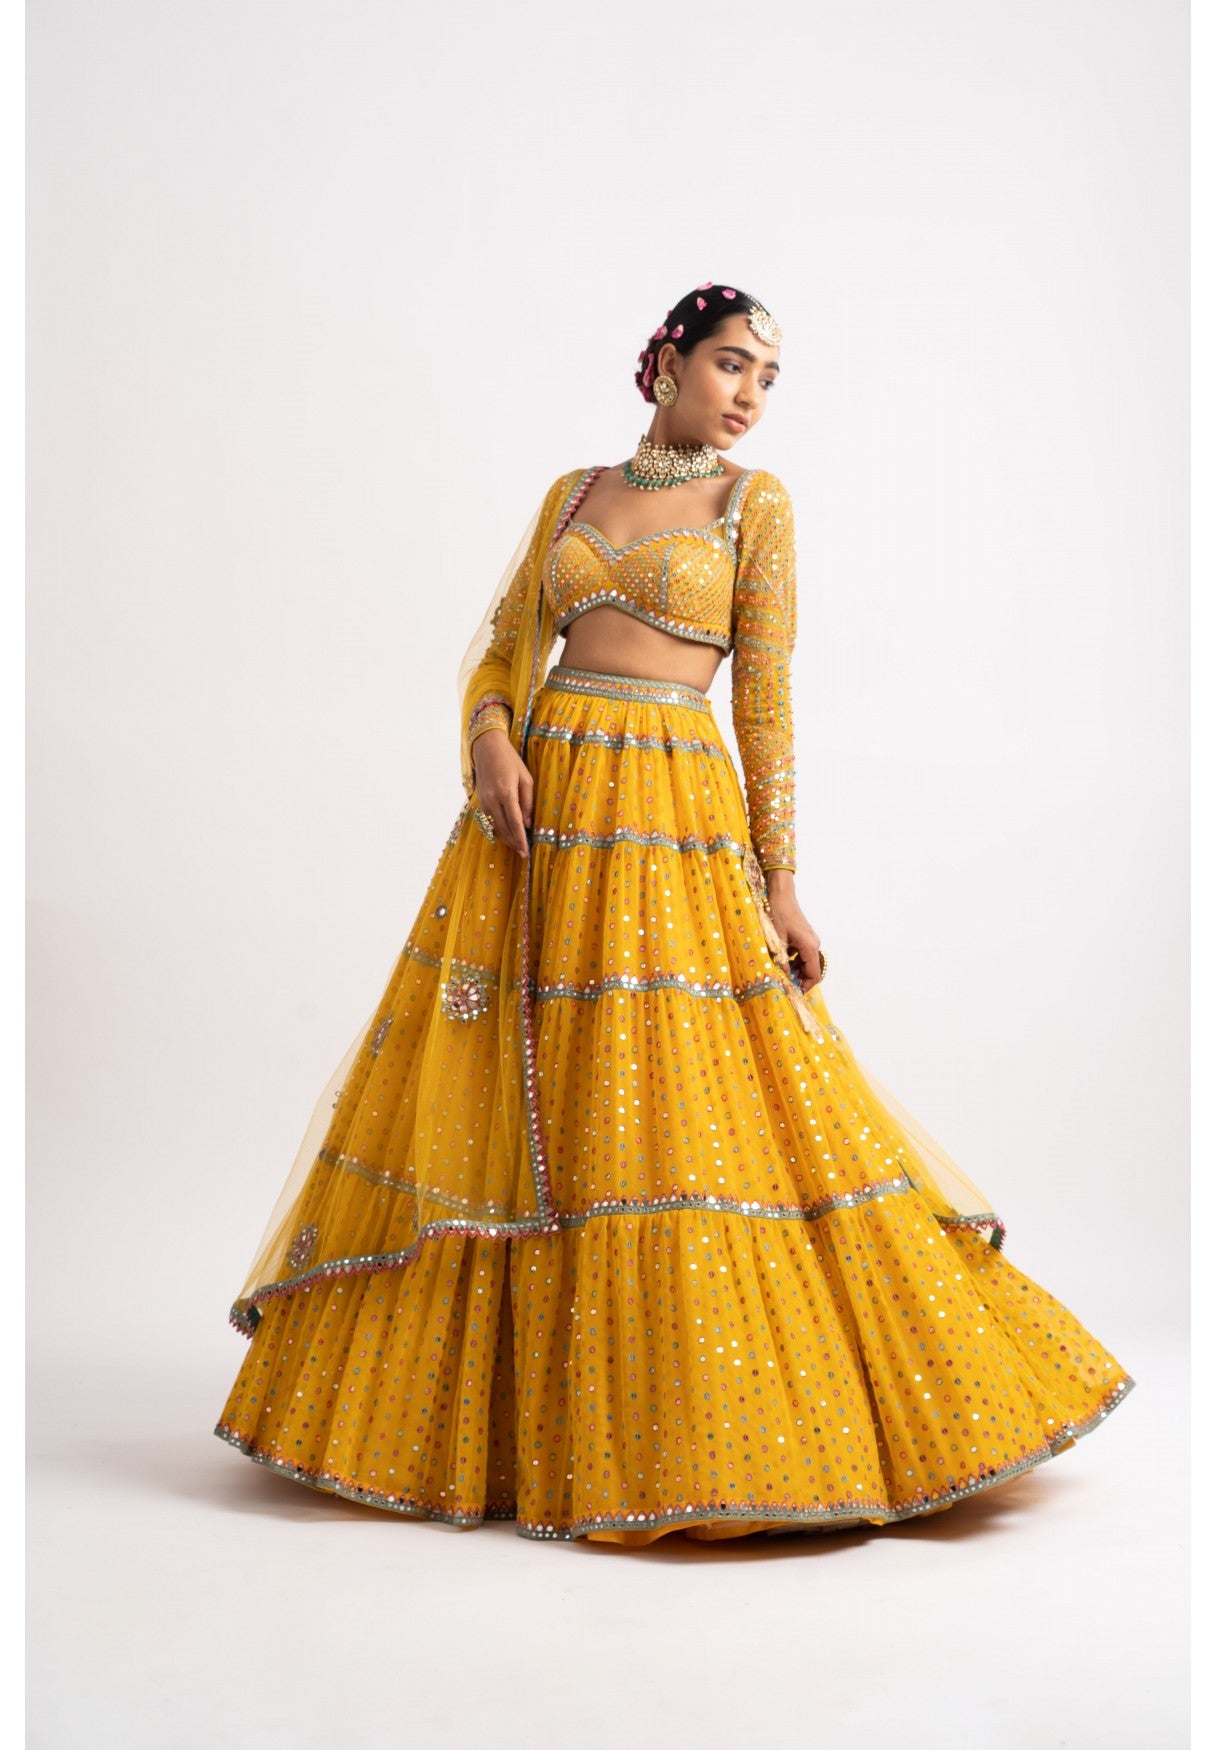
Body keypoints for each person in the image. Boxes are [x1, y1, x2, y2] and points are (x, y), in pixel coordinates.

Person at [214, 283, 1135, 1544]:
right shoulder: (571, 494)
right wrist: (487, 737)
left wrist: (780, 877)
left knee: (669, 1098)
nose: (748, 393)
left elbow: (765, 701)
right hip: (539, 817)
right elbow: (505, 643)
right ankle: (504, 1429)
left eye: (766, 376)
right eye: (729, 363)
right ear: (665, 362)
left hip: (668, 812)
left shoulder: (753, 505)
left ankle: (689, 1425)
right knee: (533, 1089)